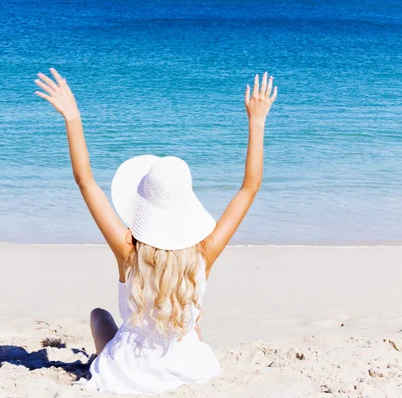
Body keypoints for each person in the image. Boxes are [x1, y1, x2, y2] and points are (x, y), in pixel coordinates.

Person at [35, 69, 277, 394]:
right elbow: (249, 188)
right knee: (191, 320)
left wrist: (73, 117)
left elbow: (86, 182)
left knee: (98, 316)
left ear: (142, 206)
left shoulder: (128, 251)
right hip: (187, 366)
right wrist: (257, 121)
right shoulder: (204, 253)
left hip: (126, 372)